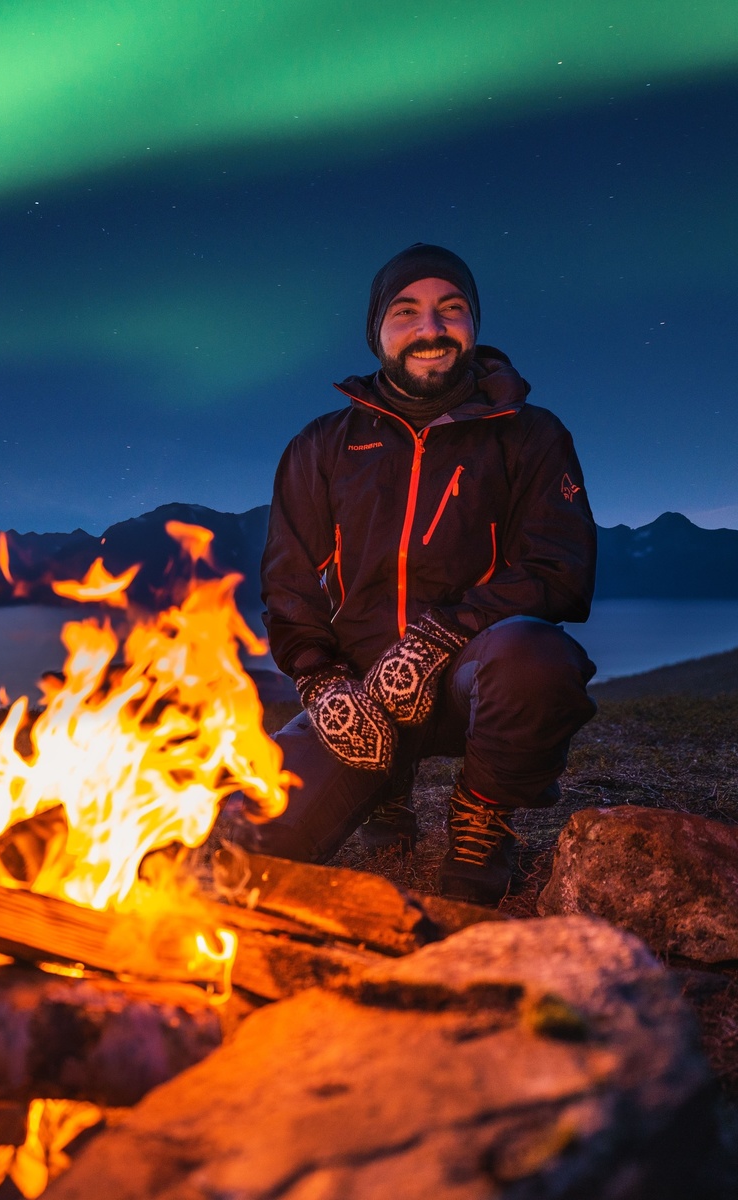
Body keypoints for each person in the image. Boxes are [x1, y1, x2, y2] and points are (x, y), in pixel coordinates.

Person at [248, 243, 597, 905]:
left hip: (474, 675)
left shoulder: (529, 435)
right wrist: (321, 679)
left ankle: (481, 819)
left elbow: (561, 571)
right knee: (262, 848)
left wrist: (441, 635)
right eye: (406, 311)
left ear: (474, 324)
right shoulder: (323, 445)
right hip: (362, 698)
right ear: (377, 330)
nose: (430, 329)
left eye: (451, 310)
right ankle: (385, 789)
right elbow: (290, 582)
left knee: (537, 659)